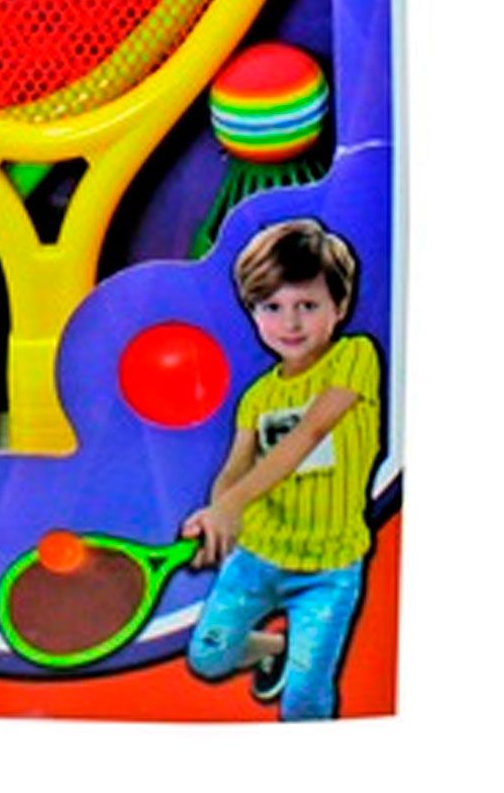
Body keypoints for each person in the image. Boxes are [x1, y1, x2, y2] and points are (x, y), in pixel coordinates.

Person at [182, 217, 381, 720]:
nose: (290, 323)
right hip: (258, 557)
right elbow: (234, 469)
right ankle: (277, 649)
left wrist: (232, 503)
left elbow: (309, 433)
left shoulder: (354, 358)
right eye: (272, 307)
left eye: (307, 306)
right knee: (207, 658)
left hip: (329, 571)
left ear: (339, 307)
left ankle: (300, 670)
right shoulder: (258, 397)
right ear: (252, 312)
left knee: (305, 702)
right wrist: (216, 518)